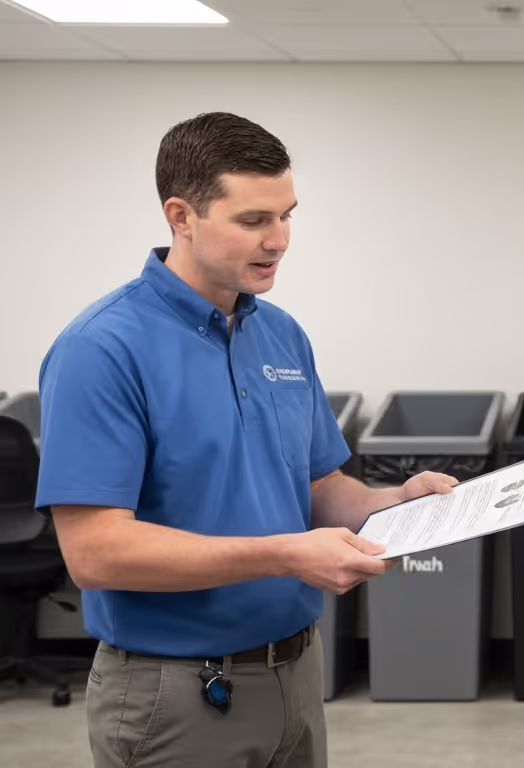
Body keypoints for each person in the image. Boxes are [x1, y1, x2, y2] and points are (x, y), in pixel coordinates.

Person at [36, 112, 458, 768]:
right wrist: (286, 555)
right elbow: (95, 553)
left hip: (295, 672)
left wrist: (396, 502)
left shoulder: (281, 334)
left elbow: (321, 488)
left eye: (288, 215)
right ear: (181, 215)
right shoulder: (102, 348)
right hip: (174, 691)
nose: (280, 239)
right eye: (254, 220)